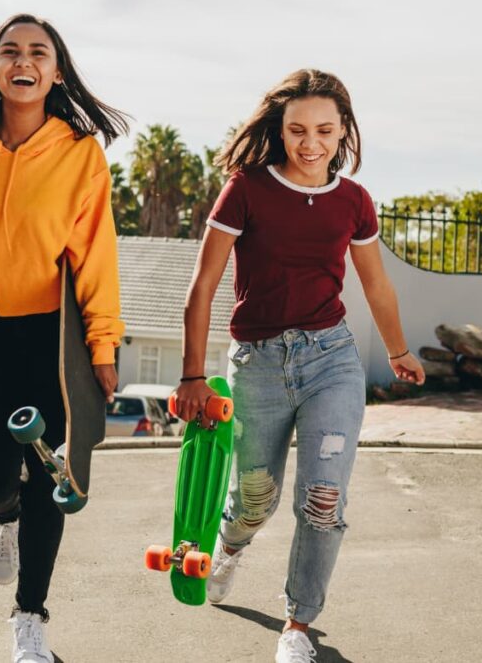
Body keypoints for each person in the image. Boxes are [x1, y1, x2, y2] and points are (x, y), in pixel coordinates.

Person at [172, 69, 426, 663]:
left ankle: (297, 625)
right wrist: (190, 376)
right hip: (258, 364)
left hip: (331, 360)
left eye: (324, 130)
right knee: (255, 498)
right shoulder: (247, 189)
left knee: (323, 497)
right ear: (280, 130)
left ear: (344, 133)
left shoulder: (354, 201)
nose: (310, 142)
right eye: (297, 130)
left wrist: (397, 350)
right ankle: (231, 546)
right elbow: (202, 286)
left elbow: (377, 285)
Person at [0, 13, 127, 663]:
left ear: (56, 71)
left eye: (38, 52)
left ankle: (30, 617)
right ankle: (2, 515)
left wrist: (102, 348)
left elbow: (97, 254)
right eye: (9, 50)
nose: (24, 60)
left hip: (57, 336)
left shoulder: (80, 154)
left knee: (51, 476)